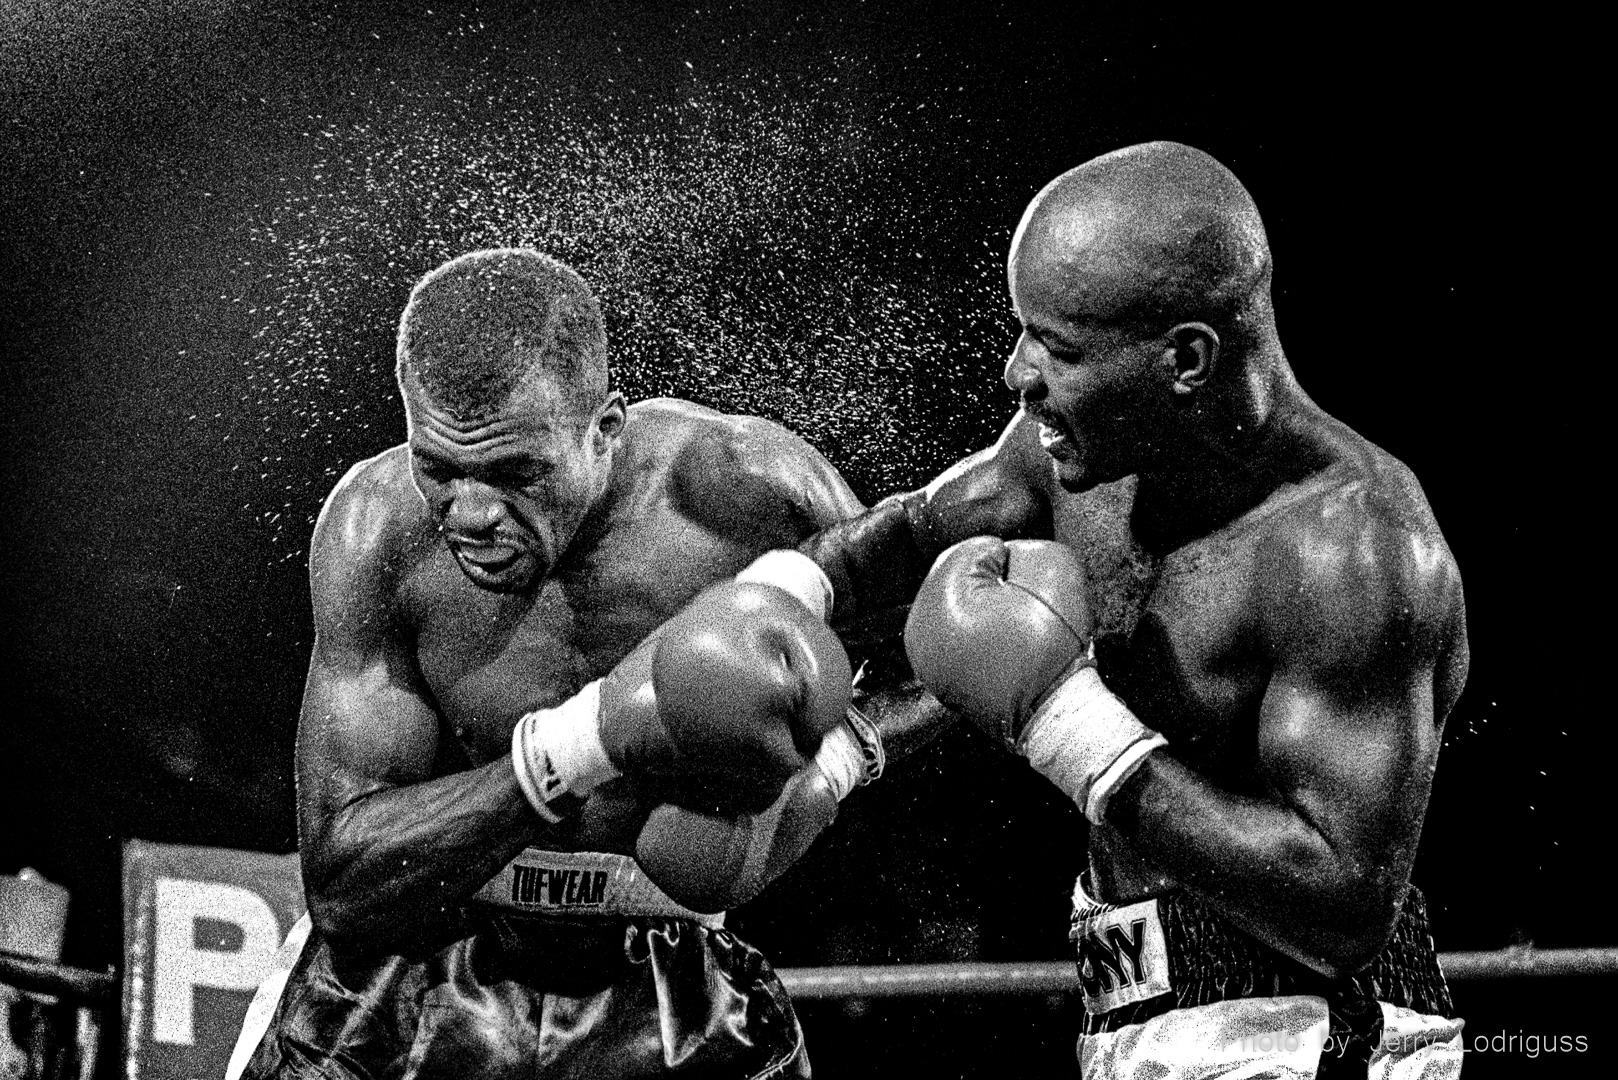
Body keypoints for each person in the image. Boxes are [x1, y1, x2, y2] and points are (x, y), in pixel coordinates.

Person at [803, 142, 1467, 1077]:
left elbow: (1347, 905)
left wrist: (1062, 723)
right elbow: (907, 538)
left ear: (1187, 359)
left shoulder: (1351, 548)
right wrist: (770, 601)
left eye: (1060, 349)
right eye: (1025, 331)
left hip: (1306, 1030)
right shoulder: (1076, 458)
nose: (1016, 372)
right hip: (1130, 1012)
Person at [234, 247, 928, 1080]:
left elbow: (942, 652)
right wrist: (586, 742)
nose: (473, 512)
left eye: (515, 472)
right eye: (439, 468)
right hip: (416, 967)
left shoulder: (748, 494)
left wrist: (840, 755)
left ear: (604, 430)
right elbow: (344, 882)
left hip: (665, 974)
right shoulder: (375, 529)